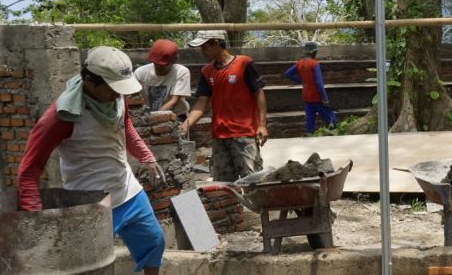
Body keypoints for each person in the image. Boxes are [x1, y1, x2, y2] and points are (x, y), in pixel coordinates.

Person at [17, 46, 188, 275]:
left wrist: (146, 156)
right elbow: (29, 170)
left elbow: (125, 126)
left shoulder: (117, 98)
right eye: (110, 88)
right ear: (89, 81)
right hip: (91, 202)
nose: (116, 94)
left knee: (154, 241)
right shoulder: (60, 116)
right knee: (91, 263)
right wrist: (34, 218)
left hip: (127, 190)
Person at [181, 29, 268, 182]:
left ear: (215, 43)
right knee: (223, 185)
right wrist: (186, 124)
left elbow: (259, 93)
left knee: (254, 180)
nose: (202, 52)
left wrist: (262, 125)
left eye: (204, 47)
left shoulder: (244, 63)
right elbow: (202, 102)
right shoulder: (206, 71)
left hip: (244, 133)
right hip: (219, 135)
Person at [284, 41, 338, 134]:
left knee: (310, 122)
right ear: (314, 52)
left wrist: (301, 81)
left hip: (306, 97)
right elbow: (319, 83)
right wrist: (325, 99)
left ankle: (310, 136)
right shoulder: (314, 64)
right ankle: (334, 135)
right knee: (331, 118)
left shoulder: (299, 63)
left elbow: (287, 73)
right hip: (316, 97)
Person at [133, 38, 191, 116]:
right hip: (149, 116)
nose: (159, 68)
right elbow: (133, 98)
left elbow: (173, 101)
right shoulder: (140, 73)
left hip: (177, 115)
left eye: (163, 66)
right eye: (157, 65)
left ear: (174, 61)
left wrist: (154, 117)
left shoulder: (181, 72)